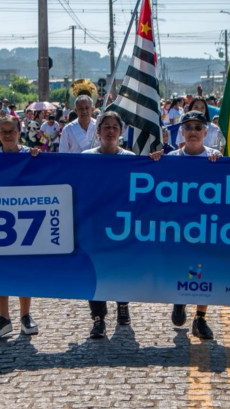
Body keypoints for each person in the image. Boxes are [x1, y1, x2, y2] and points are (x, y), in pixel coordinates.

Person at [0, 117, 41, 338]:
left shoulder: (30, 154)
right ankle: (4, 317)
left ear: (19, 131)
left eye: (11, 130)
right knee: (0, 269)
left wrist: (38, 159)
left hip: (24, 222)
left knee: (24, 269)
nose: (7, 134)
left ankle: (25, 315)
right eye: (3, 131)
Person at [82, 111, 140, 338]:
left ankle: (122, 304)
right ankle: (98, 317)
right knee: (95, 271)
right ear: (98, 131)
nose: (110, 131)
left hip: (121, 225)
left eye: (115, 127)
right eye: (106, 126)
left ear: (121, 131)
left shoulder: (130, 158)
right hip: (94, 225)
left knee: (121, 267)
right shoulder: (86, 158)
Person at [165, 111, 221, 340]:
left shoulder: (216, 158)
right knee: (183, 268)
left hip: (207, 226)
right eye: (188, 127)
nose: (193, 132)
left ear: (205, 132)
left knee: (203, 269)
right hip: (178, 227)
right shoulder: (170, 159)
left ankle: (200, 318)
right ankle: (180, 300)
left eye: (198, 127)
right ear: (182, 131)